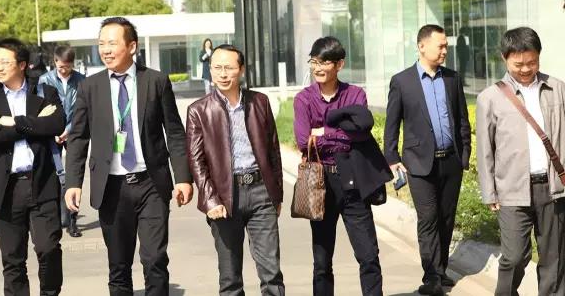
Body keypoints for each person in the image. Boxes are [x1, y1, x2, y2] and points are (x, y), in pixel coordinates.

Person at [65, 17, 194, 296]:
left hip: (151, 184)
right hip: (111, 187)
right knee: (119, 265)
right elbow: (78, 137)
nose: (105, 50)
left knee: (154, 259)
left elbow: (174, 133)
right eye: (101, 44)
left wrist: (183, 177)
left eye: (112, 43)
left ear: (132, 46)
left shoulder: (156, 81)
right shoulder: (90, 87)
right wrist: (73, 182)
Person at [186, 44, 285, 295]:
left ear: (240, 70)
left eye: (228, 68)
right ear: (210, 70)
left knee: (271, 274)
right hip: (224, 197)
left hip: (261, 193)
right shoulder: (198, 110)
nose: (222, 74)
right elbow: (196, 161)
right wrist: (210, 200)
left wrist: (277, 194)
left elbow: (273, 150)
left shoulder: (259, 102)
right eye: (217, 68)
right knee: (230, 278)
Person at [294, 36, 389, 296]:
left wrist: (323, 131)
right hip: (320, 182)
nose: (318, 68)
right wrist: (339, 133)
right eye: (314, 62)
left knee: (369, 256)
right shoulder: (303, 99)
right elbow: (303, 141)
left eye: (324, 62)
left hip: (353, 182)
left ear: (339, 64)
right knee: (322, 262)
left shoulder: (355, 94)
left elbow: (359, 133)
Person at [383, 24, 471, 296]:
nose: (445, 51)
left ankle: (441, 270)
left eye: (446, 46)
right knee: (429, 218)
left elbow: (462, 120)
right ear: (422, 46)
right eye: (440, 46)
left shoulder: (452, 79)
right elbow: (392, 124)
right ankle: (431, 276)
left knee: (446, 218)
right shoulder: (402, 81)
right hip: (419, 163)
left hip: (451, 162)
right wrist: (392, 157)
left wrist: (464, 155)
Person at [477, 27, 565, 295]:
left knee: (554, 258)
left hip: (553, 187)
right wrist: (489, 191)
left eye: (532, 62)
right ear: (504, 58)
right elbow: (485, 149)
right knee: (514, 256)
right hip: (512, 189)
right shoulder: (490, 97)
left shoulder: (557, 89)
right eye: (519, 64)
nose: (526, 69)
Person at [0, 38, 66, 296]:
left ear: (22, 64)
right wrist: (34, 123)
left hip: (42, 182)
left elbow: (56, 124)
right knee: (13, 258)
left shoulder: (45, 92)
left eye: (5, 62)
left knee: (49, 249)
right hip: (7, 188)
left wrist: (13, 121)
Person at [39, 45, 86, 238]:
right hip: (51, 133)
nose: (64, 70)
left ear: (72, 63)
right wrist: (53, 130)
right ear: (55, 62)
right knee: (53, 176)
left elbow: (83, 110)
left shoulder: (81, 81)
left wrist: (68, 130)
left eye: (68, 66)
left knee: (74, 176)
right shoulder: (45, 80)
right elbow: (42, 109)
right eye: (60, 66)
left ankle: (72, 221)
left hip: (74, 132)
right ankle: (56, 218)